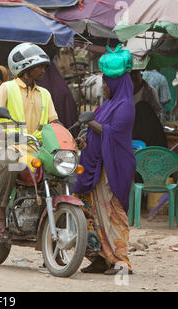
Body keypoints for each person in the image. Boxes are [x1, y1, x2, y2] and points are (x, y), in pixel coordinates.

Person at [0, 43, 62, 241]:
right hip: (10, 147)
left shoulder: (45, 94)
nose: (44, 70)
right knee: (12, 164)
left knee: (61, 172)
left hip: (37, 149)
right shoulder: (7, 88)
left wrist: (67, 138)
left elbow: (54, 122)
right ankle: (1, 215)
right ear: (26, 69)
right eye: (40, 66)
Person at [74, 51, 136, 275]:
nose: (104, 87)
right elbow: (97, 133)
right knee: (91, 213)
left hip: (113, 169)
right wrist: (84, 139)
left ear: (117, 82)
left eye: (106, 82)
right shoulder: (107, 104)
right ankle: (100, 258)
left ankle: (121, 262)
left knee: (112, 213)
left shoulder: (125, 106)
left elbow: (113, 135)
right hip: (95, 169)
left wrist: (91, 122)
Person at [131, 70, 167, 147]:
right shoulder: (123, 92)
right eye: (131, 76)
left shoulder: (150, 91)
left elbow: (158, 110)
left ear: (141, 76)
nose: (133, 78)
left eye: (135, 75)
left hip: (147, 130)